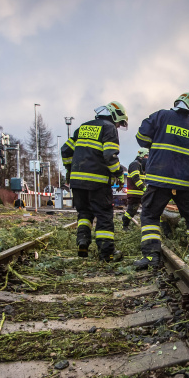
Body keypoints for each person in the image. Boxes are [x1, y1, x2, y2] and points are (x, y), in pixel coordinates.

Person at [133, 92, 189, 270]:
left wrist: (158, 141)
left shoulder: (161, 116)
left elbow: (141, 138)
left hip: (159, 179)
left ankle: (151, 257)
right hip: (185, 182)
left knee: (150, 215)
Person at [61, 101, 128, 261]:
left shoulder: (83, 127)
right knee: (104, 215)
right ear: (114, 116)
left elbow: (65, 150)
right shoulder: (108, 128)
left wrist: (71, 171)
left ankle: (83, 242)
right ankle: (107, 253)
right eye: (119, 123)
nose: (118, 126)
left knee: (84, 213)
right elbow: (110, 155)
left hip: (77, 183)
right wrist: (118, 174)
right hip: (97, 182)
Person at [122, 148, 148, 230]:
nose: (148, 158)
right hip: (134, 194)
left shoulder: (142, 166)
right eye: (146, 156)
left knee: (147, 210)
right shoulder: (135, 165)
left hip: (141, 194)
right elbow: (135, 178)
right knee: (131, 210)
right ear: (141, 156)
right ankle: (125, 225)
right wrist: (143, 188)